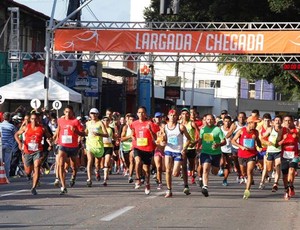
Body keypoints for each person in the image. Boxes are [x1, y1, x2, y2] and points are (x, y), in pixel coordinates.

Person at [14, 112, 53, 195]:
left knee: (37, 166)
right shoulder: (26, 128)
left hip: (38, 151)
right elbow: (16, 135)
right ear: (30, 120)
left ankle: (34, 187)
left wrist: (50, 142)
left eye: (35, 119)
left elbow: (49, 136)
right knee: (28, 171)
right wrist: (20, 143)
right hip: (27, 151)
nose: (34, 120)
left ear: (38, 119)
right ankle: (29, 175)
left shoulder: (42, 128)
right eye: (32, 119)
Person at [54, 105, 85, 195]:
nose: (68, 114)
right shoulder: (60, 120)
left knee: (74, 167)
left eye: (69, 112)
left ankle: (73, 176)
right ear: (64, 112)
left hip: (73, 147)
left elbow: (83, 133)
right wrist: (54, 138)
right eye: (66, 112)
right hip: (62, 145)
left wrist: (75, 131)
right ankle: (63, 186)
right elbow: (58, 130)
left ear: (72, 113)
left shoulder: (76, 121)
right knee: (60, 165)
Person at [231, 116, 262, 199]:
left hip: (252, 154)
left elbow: (258, 140)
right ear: (250, 123)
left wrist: (260, 145)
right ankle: (245, 177)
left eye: (256, 123)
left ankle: (247, 190)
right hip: (241, 155)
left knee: (250, 172)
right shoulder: (241, 131)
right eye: (254, 123)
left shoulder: (256, 132)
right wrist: (241, 147)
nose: (255, 125)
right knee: (244, 173)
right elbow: (233, 141)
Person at [164, 109, 191, 198]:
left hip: (178, 151)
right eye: (171, 115)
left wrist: (184, 148)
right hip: (168, 149)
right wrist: (162, 142)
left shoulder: (181, 127)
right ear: (168, 116)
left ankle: (181, 177)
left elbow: (189, 139)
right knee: (167, 170)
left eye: (174, 115)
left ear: (177, 117)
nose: (172, 117)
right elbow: (162, 139)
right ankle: (169, 190)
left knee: (175, 173)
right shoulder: (165, 127)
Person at [131, 106, 157, 195]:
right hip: (137, 147)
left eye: (143, 112)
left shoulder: (150, 123)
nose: (141, 114)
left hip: (148, 148)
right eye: (139, 112)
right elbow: (133, 133)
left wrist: (150, 130)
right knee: (137, 162)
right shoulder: (134, 123)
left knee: (146, 169)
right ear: (137, 114)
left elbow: (155, 137)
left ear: (145, 114)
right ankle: (138, 179)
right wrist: (133, 139)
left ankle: (147, 183)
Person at [199, 114, 226, 197]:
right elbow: (200, 140)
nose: (209, 121)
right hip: (205, 152)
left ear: (214, 121)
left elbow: (224, 141)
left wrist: (218, 144)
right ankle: (205, 187)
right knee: (205, 168)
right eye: (207, 119)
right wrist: (197, 147)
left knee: (214, 172)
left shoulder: (217, 130)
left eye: (211, 119)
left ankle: (213, 170)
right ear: (205, 120)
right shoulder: (203, 129)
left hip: (216, 154)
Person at [259, 115, 283, 192]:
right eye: (276, 120)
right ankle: (265, 179)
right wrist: (266, 142)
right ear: (273, 122)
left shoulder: (283, 130)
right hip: (270, 151)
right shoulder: (270, 129)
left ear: (281, 122)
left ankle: (275, 184)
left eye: (279, 120)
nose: (277, 122)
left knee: (278, 165)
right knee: (269, 168)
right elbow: (262, 138)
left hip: (278, 151)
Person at [278, 115, 300, 200]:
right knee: (285, 175)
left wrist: (297, 137)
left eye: (289, 120)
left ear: (292, 121)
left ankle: (290, 185)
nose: (287, 122)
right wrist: (283, 139)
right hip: (285, 155)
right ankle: (287, 190)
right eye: (286, 120)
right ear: (283, 122)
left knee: (291, 170)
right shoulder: (282, 130)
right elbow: (277, 143)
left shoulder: (297, 130)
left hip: (295, 155)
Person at [85, 108, 108, 187]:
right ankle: (89, 179)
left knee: (97, 164)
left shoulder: (101, 123)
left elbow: (106, 134)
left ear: (98, 114)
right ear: (89, 114)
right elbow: (86, 132)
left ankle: (97, 171)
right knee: (90, 160)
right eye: (91, 113)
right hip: (90, 145)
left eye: (95, 113)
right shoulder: (88, 123)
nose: (93, 115)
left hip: (98, 146)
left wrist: (99, 134)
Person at [180, 108, 199, 185]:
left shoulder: (192, 123)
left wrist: (195, 142)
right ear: (181, 115)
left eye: (186, 113)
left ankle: (192, 176)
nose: (185, 115)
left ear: (189, 115)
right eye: (183, 114)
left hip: (191, 146)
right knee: (183, 163)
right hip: (182, 147)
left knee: (191, 163)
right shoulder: (179, 124)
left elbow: (199, 134)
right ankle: (185, 177)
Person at [226, 112, 247, 183]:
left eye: (243, 117)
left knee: (243, 162)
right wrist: (232, 130)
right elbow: (228, 135)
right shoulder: (234, 124)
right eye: (240, 117)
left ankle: (245, 175)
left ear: (245, 118)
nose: (241, 119)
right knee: (236, 162)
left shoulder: (247, 125)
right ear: (238, 118)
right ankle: (239, 174)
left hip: (244, 147)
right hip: (235, 146)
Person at [257, 113, 272, 189]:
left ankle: (261, 182)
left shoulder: (272, 128)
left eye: (268, 121)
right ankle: (266, 176)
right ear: (263, 120)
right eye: (265, 121)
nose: (267, 122)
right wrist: (258, 146)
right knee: (261, 166)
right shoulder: (259, 128)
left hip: (268, 149)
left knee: (266, 166)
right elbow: (257, 138)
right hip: (260, 148)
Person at [0, 112, 18, 178]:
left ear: (3, 117)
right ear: (9, 118)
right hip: (8, 146)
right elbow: (15, 135)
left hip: (0, 145)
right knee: (7, 162)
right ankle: (6, 177)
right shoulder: (12, 126)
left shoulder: (0, 125)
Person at [120, 113, 135, 183]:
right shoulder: (125, 127)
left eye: (133, 120)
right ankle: (129, 170)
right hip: (125, 147)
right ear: (128, 121)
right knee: (127, 163)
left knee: (132, 160)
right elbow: (122, 139)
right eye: (130, 120)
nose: (132, 121)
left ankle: (130, 176)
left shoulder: (136, 127)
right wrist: (129, 136)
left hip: (133, 147)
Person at [220, 115, 232, 186]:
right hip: (221, 148)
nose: (227, 123)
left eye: (228, 121)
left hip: (229, 149)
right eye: (226, 121)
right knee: (222, 162)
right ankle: (220, 168)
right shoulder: (220, 129)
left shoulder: (232, 129)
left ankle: (225, 179)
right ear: (223, 122)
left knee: (227, 165)